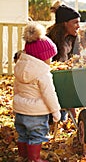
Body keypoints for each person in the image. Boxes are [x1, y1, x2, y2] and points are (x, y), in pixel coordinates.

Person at [13, 22, 61, 162]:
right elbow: (49, 94)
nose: (51, 60)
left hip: (21, 110)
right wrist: (56, 112)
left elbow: (16, 88)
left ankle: (22, 157)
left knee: (23, 135)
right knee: (36, 135)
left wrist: (16, 106)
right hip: (36, 113)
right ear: (43, 57)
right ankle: (34, 159)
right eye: (50, 57)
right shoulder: (43, 73)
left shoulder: (19, 67)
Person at [46, 1, 81, 121]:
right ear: (65, 23)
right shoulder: (49, 41)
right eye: (75, 22)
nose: (78, 26)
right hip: (50, 84)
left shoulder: (73, 40)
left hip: (65, 81)